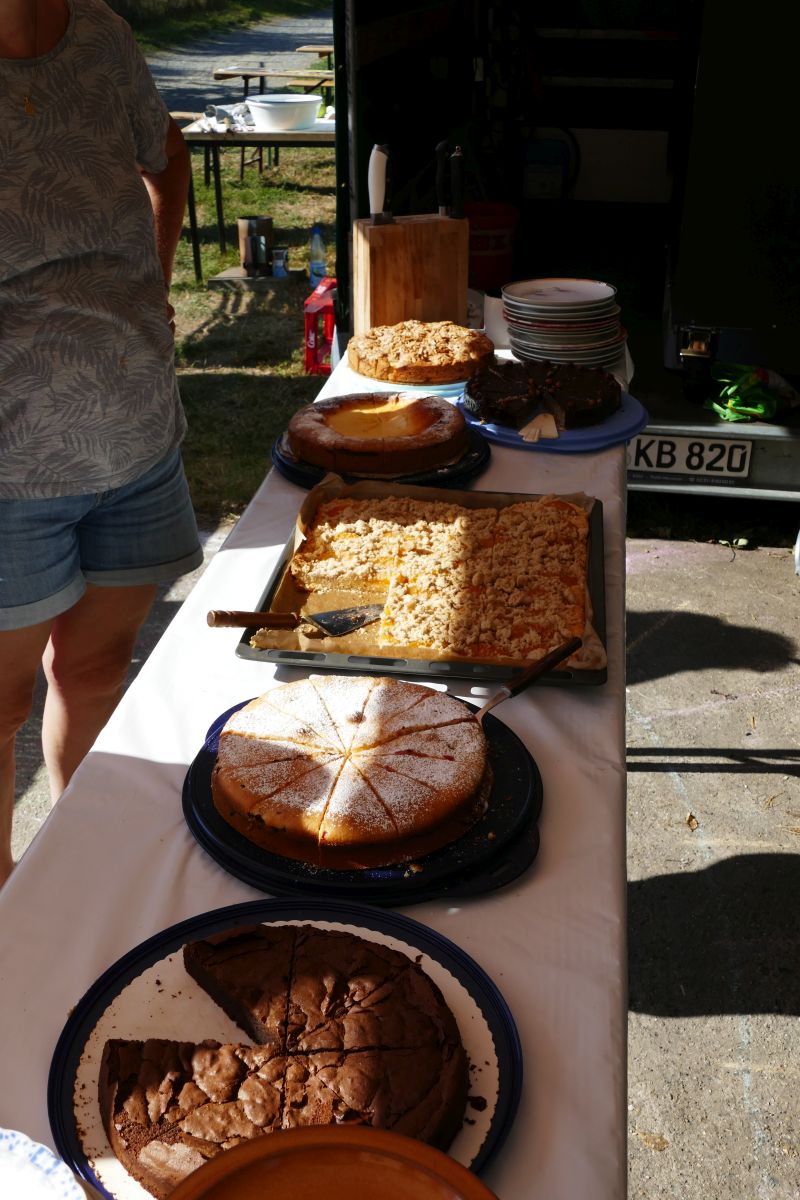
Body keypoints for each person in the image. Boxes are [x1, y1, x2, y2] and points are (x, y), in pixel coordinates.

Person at [0, 0, 204, 885]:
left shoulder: (100, 34)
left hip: (133, 433)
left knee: (95, 670)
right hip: (10, 464)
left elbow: (167, 154)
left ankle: (80, 874)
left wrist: (155, 276)